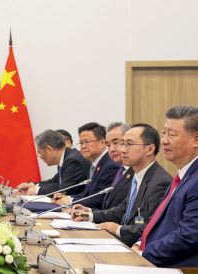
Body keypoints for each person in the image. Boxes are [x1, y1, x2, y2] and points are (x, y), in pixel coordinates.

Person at [72, 124, 172, 246]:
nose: (123, 150)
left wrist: (118, 229)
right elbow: (122, 210)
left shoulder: (160, 182)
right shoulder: (137, 175)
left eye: (129, 144)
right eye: (123, 144)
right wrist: (89, 215)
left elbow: (153, 227)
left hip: (136, 248)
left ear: (149, 149)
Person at [132, 106, 198, 267]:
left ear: (196, 139)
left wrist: (144, 254)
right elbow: (160, 222)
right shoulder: (183, 176)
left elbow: (190, 235)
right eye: (164, 133)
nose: (164, 140)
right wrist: (140, 242)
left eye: (172, 134)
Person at [53, 122, 120, 209]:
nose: (83, 146)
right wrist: (67, 198)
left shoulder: (110, 165)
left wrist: (69, 201)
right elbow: (86, 193)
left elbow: (100, 199)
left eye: (87, 142)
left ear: (103, 143)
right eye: (81, 143)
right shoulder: (94, 164)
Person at [17, 130, 90, 196]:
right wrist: (32, 185)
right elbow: (54, 182)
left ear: (49, 149)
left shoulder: (73, 161)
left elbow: (63, 190)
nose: (40, 157)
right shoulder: (66, 158)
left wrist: (36, 190)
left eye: (40, 153)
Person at [101, 122, 134, 210]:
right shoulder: (120, 170)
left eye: (115, 142)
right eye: (108, 145)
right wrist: (89, 213)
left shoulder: (137, 172)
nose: (111, 149)